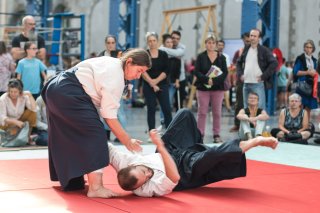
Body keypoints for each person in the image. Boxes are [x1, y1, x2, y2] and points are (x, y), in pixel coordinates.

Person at [41, 48, 151, 198]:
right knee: (96, 135)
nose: (138, 76)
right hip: (69, 91)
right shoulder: (116, 76)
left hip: (55, 88)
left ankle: (72, 180)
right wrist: (127, 140)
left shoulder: (111, 62)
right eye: (139, 70)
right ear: (129, 62)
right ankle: (96, 187)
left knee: (68, 135)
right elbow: (109, 116)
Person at [108, 109, 278, 197]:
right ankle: (255, 141)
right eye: (145, 177)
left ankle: (196, 144)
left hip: (169, 151)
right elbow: (174, 176)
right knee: (212, 155)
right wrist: (159, 145)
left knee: (184, 114)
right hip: (184, 171)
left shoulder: (125, 163)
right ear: (140, 186)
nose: (148, 173)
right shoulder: (149, 190)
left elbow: (107, 148)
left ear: (133, 165)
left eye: (143, 169)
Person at [194, 34, 228, 143]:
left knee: (217, 112)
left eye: (213, 43)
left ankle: (216, 134)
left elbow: (225, 72)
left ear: (216, 44)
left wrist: (213, 81)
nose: (211, 45)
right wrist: (206, 79)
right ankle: (200, 134)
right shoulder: (200, 56)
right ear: (205, 44)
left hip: (218, 88)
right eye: (209, 42)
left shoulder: (221, 57)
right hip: (203, 88)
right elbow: (196, 71)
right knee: (202, 112)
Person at [237, 28, 278, 110]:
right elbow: (238, 62)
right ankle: (249, 123)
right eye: (251, 35)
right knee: (246, 109)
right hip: (246, 83)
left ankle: (259, 123)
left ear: (259, 38)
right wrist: (240, 74)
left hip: (257, 84)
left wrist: (263, 76)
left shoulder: (264, 50)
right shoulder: (246, 49)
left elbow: (274, 63)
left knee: (260, 109)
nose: (252, 38)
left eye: (255, 36)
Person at [98, 35, 127, 142]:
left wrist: (128, 88)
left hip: (118, 87)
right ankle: (107, 133)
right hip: (105, 87)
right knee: (105, 111)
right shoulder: (101, 56)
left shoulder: (121, 55)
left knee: (120, 112)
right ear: (106, 44)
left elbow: (126, 71)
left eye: (112, 42)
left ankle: (122, 135)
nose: (110, 45)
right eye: (108, 43)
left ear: (115, 43)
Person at [142, 32, 172, 131]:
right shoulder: (144, 55)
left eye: (154, 40)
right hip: (148, 85)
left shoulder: (163, 54)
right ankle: (152, 132)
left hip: (162, 84)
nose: (152, 43)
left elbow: (166, 70)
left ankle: (169, 133)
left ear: (157, 41)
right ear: (147, 42)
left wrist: (156, 81)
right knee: (151, 109)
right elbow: (142, 70)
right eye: (150, 41)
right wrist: (151, 82)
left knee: (167, 109)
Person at [0, 79, 37, 145]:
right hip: (7, 124)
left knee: (32, 113)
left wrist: (30, 95)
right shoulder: (3, 98)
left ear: (20, 91)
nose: (13, 94)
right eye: (11, 91)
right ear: (8, 90)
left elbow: (34, 109)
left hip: (20, 120)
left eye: (15, 92)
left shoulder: (24, 96)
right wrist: (16, 122)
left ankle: (28, 137)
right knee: (12, 133)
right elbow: (2, 117)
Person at [229, 32, 250, 132]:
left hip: (253, 80)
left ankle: (252, 125)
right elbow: (234, 65)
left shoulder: (258, 51)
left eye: (249, 39)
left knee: (253, 103)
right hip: (241, 81)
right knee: (239, 103)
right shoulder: (239, 52)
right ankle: (237, 124)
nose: (248, 41)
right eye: (246, 40)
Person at [158, 33, 181, 126]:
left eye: (171, 42)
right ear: (164, 43)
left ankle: (168, 120)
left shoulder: (176, 56)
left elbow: (178, 70)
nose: (170, 44)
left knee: (169, 102)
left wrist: (177, 80)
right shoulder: (161, 55)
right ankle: (163, 119)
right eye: (167, 42)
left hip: (172, 82)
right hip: (163, 82)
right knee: (163, 102)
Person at [292, 39, 318, 119]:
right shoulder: (300, 59)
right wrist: (307, 72)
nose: (308, 49)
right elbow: (296, 72)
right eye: (307, 47)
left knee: (309, 107)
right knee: (299, 106)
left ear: (313, 49)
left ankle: (306, 125)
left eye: (310, 47)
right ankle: (297, 124)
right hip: (302, 86)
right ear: (304, 48)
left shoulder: (315, 60)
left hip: (311, 86)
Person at [217, 39, 232, 112]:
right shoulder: (213, 55)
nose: (221, 47)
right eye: (219, 45)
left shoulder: (226, 56)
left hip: (224, 78)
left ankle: (228, 107)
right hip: (215, 78)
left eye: (222, 45)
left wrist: (228, 80)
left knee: (226, 93)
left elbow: (228, 69)